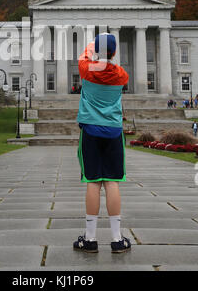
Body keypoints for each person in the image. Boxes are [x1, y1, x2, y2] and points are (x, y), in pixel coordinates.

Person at [73, 33, 131, 254]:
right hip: (114, 132)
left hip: (90, 130)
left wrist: (94, 47)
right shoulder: (122, 75)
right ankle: (117, 239)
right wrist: (106, 51)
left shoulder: (86, 69)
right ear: (115, 52)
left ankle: (90, 239)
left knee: (92, 181)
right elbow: (108, 58)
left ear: (96, 51)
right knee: (113, 181)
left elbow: (84, 55)